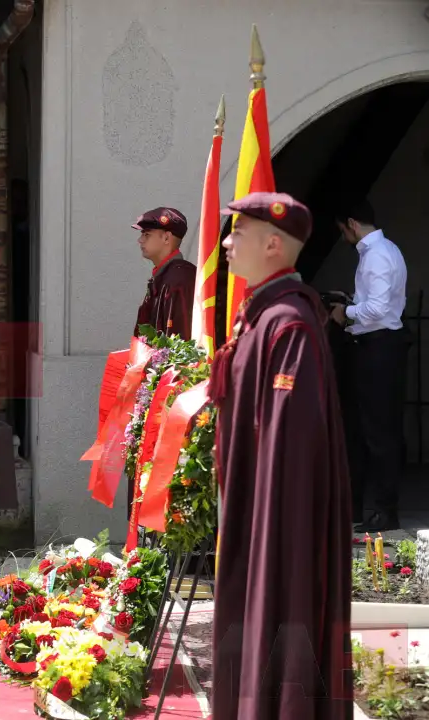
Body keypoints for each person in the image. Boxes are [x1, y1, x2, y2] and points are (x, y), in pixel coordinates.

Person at [209, 192, 351, 719]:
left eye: (238, 233)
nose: (227, 244)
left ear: (273, 244)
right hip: (254, 513)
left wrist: (267, 528)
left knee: (279, 620)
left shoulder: (289, 323)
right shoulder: (262, 314)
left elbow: (291, 442)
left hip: (278, 522)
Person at [329, 199, 408, 533]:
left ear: (352, 223)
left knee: (378, 432)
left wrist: (344, 312)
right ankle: (359, 507)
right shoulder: (383, 251)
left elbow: (376, 309)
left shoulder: (376, 254)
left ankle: (384, 510)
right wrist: (351, 302)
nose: (343, 236)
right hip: (373, 347)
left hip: (379, 348)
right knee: (362, 429)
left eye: (342, 230)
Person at [131, 206, 195, 340]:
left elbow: (180, 341)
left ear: (166, 238)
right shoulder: (167, 275)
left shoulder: (179, 279)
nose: (140, 240)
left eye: (147, 234)